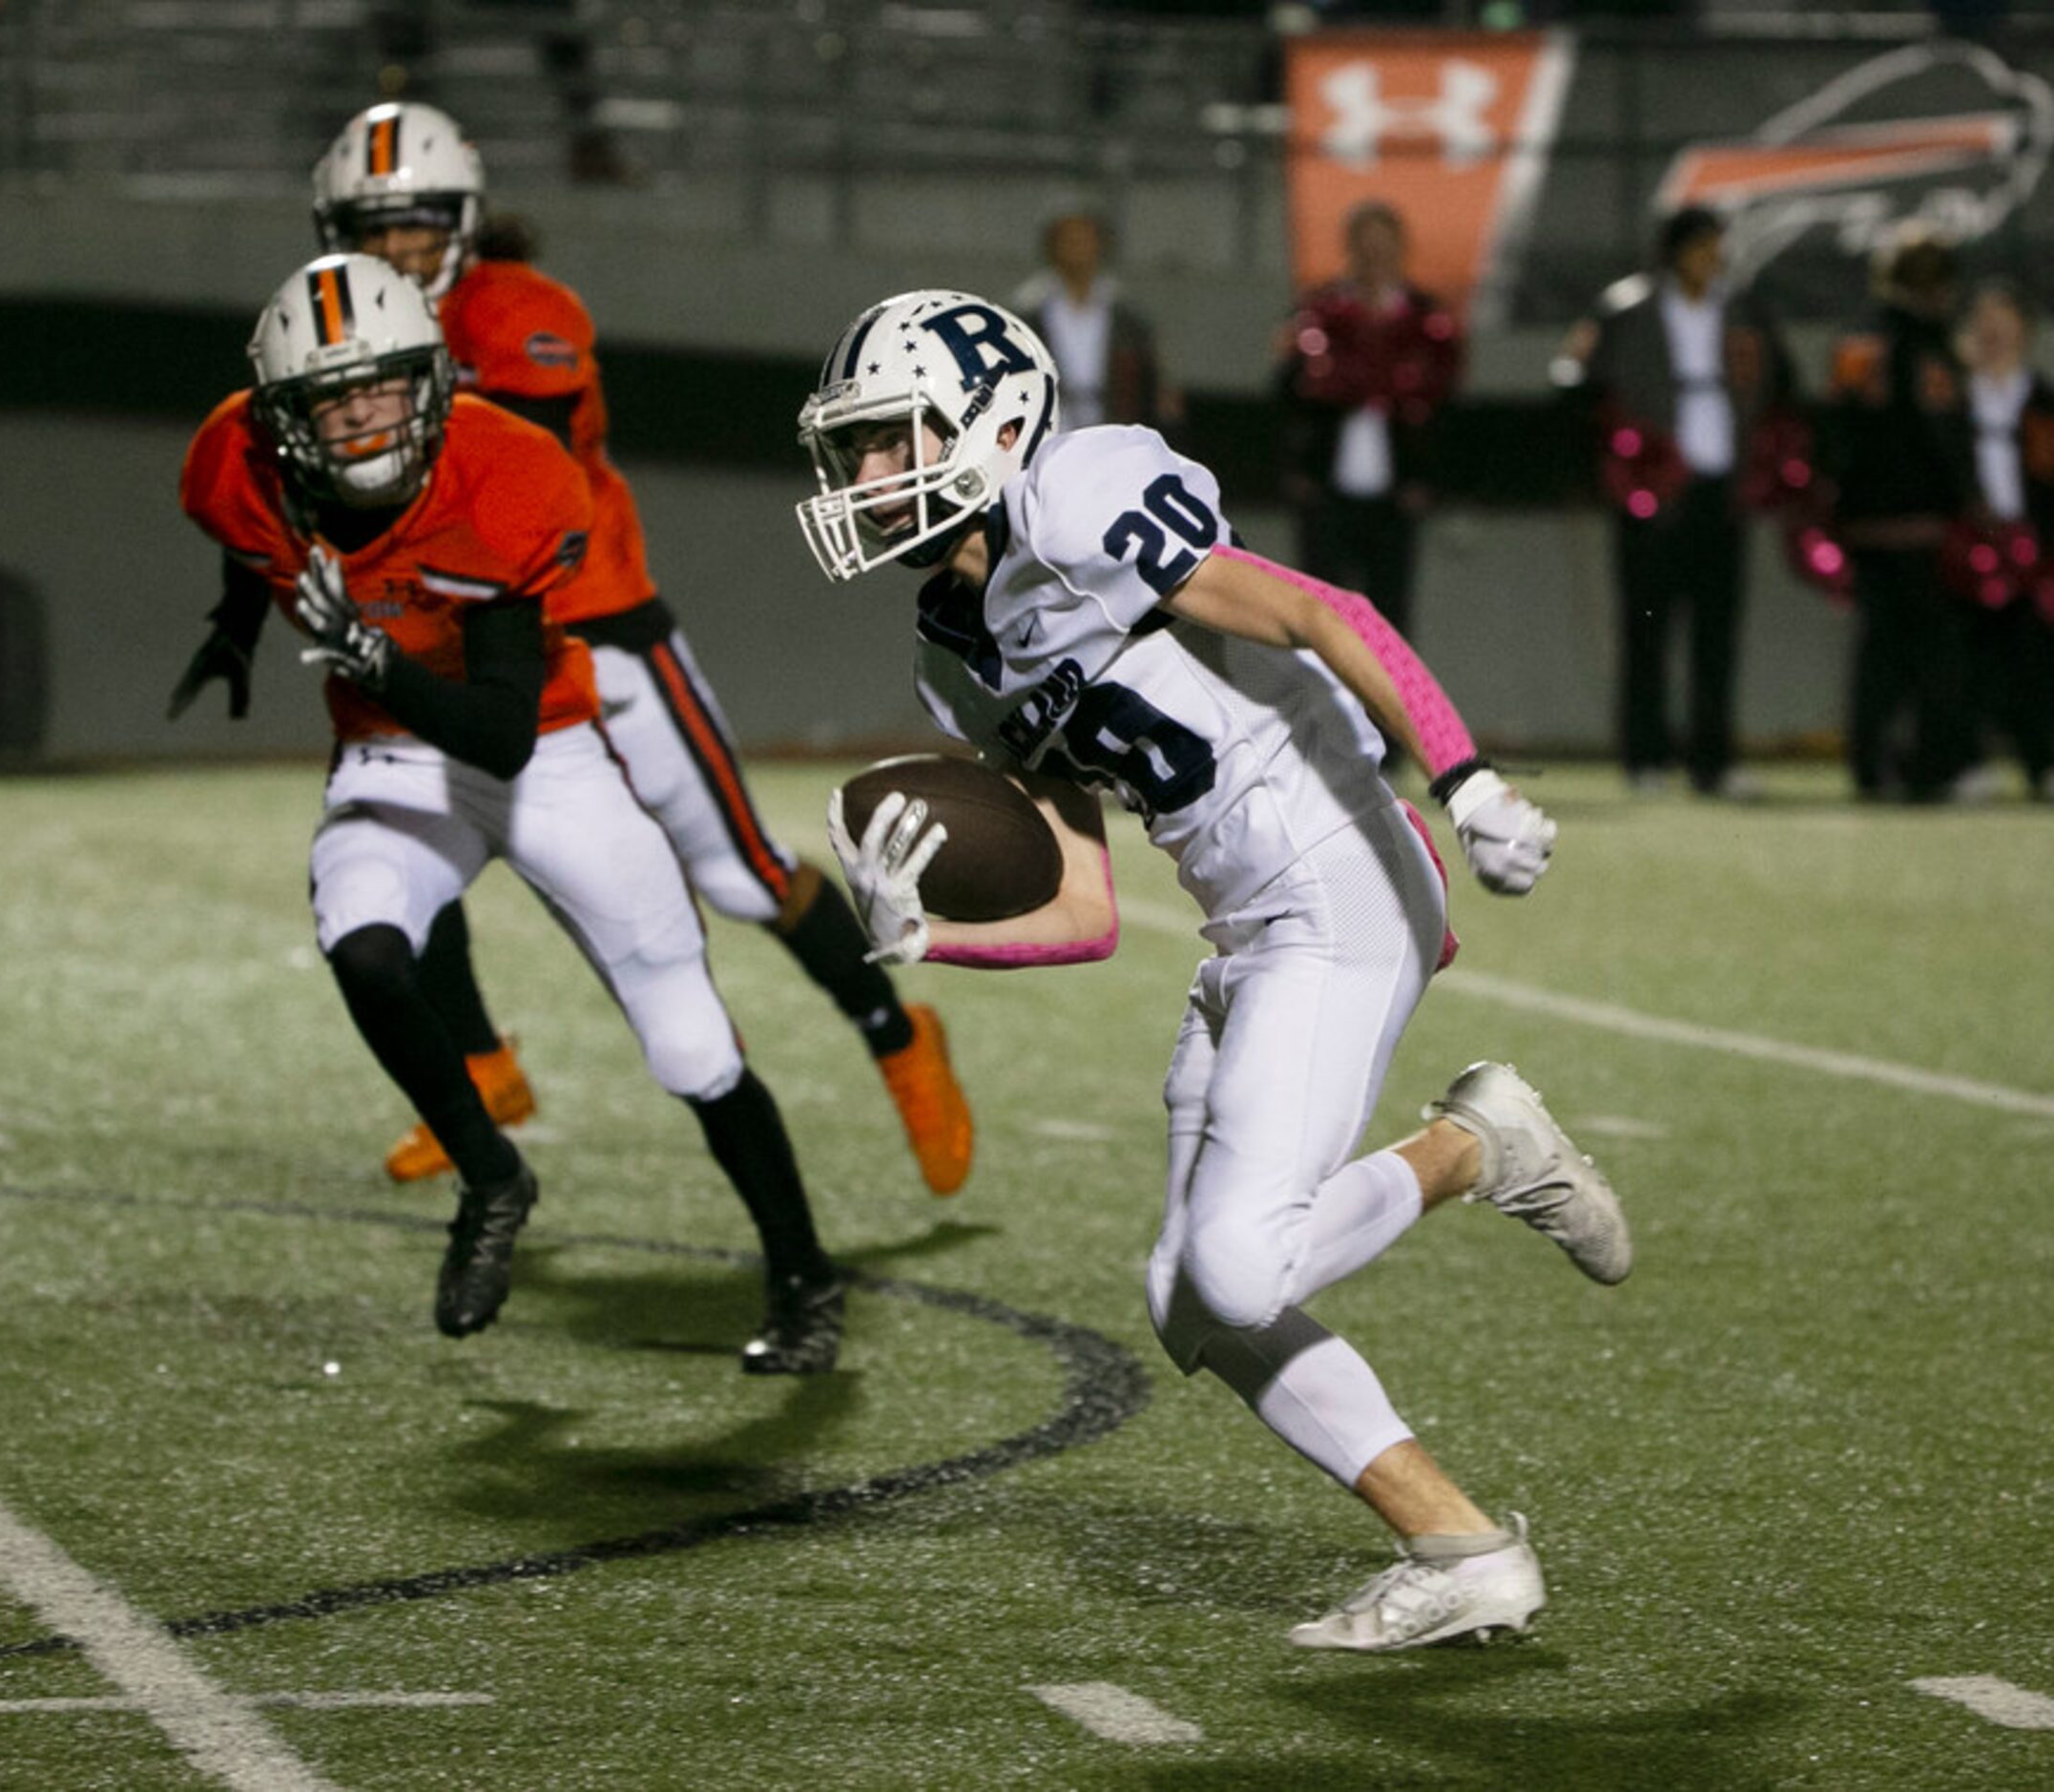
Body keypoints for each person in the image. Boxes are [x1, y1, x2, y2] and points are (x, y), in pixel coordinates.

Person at [799, 290, 1631, 1650]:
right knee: (1189, 1298)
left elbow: (1322, 608)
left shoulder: (1084, 498)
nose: (868, 479)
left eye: (893, 441)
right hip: (1249, 928)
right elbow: (1083, 906)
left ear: (999, 423)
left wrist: (1464, 773)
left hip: (1342, 877)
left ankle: (1477, 1145)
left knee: (1239, 1267)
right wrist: (923, 935)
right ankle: (1463, 1546)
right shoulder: (954, 650)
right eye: (856, 451)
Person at [283, 100, 973, 1198]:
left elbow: (509, 478)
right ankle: (484, 1068)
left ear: (462, 219)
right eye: (372, 226)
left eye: (416, 221)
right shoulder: (342, 337)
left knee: (740, 876)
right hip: (464, 645)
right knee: (401, 839)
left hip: (598, 635)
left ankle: (897, 1038)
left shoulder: (520, 311)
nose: (395, 247)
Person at [178, 252, 843, 1372]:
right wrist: (236, 623)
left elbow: (499, 733)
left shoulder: (509, 475)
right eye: (331, 401)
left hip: (544, 751)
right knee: (364, 941)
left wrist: (367, 655)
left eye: (382, 386)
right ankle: (492, 1177)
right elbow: (256, 540)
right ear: (283, 419)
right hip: (390, 757)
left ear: (434, 382)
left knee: (688, 1043)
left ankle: (804, 1281)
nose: (359, 420)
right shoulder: (230, 463)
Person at [1557, 206, 1795, 798]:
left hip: (1722, 485)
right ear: (1675, 250)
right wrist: (1616, 461)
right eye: (1703, 246)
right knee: (1646, 628)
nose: (1714, 258)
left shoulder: (1741, 309)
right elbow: (1579, 384)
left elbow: (1781, 385)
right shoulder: (1628, 308)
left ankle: (1713, 760)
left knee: (1717, 631)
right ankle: (1646, 758)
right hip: (1650, 488)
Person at [1821, 229, 1973, 802]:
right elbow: (1943, 433)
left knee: (1877, 652)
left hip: (1865, 521)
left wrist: (1844, 501)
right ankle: (1932, 767)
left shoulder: (1856, 340)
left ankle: (1870, 765)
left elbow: (1838, 431)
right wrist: (1964, 499)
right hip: (1923, 522)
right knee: (1935, 654)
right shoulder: (1930, 344)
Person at [1275, 199, 1462, 647]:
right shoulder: (1317, 313)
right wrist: (1299, 470)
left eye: (1385, 244)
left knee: (1391, 618)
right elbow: (1289, 394)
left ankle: (1386, 715)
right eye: (1366, 244)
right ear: (1351, 248)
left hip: (1396, 494)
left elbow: (1443, 404)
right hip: (1326, 488)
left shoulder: (1428, 319)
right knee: (1320, 612)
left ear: (1401, 247)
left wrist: (1426, 477)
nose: (1376, 255)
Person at [1947, 280, 2054, 799]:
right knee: (1966, 663)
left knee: (2037, 661)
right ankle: (1966, 762)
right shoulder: (1954, 395)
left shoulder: (2043, 398)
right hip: (1969, 549)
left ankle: (2044, 762)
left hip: (2034, 549)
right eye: (1983, 320)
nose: (1993, 331)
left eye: (2003, 319)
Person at [1011, 210, 1180, 434]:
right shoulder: (1030, 311)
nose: (1077, 249)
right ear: (1052, 247)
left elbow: (1148, 377)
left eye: (1084, 241)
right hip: (1052, 424)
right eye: (1069, 241)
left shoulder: (1127, 317)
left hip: (1112, 422)